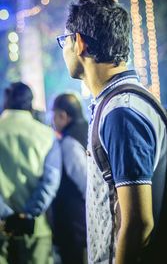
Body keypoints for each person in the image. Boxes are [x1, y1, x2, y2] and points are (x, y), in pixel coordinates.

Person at [56, 0, 167, 264]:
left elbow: (139, 222)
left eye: (65, 40)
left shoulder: (121, 111)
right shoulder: (120, 103)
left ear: (79, 42)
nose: (64, 49)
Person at [0, 82, 61, 264]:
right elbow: (51, 181)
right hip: (36, 229)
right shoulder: (47, 135)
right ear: (30, 104)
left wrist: (7, 214)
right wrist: (28, 213)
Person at [52, 93, 88, 264]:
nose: (52, 120)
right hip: (83, 221)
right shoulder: (88, 130)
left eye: (54, 115)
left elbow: (85, 183)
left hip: (75, 223)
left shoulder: (69, 142)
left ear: (63, 116)